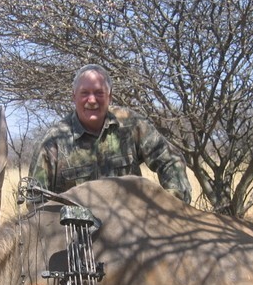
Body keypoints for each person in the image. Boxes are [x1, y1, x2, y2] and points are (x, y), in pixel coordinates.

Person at [28, 64, 192, 203]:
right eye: (85, 93)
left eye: (99, 93)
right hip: (76, 234)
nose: (92, 100)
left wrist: (172, 204)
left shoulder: (130, 124)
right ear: (74, 96)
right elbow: (35, 202)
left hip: (132, 226)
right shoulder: (53, 142)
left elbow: (170, 159)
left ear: (110, 96)